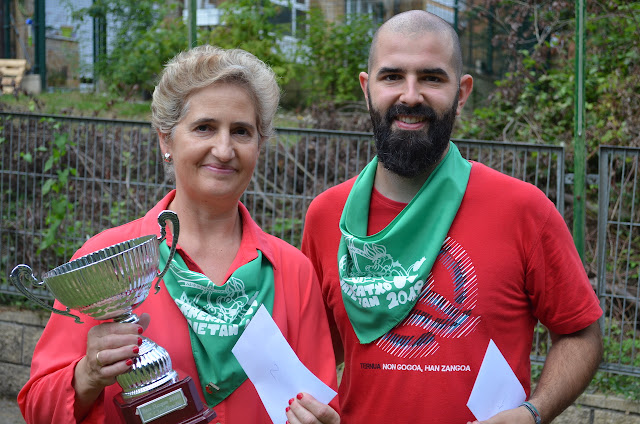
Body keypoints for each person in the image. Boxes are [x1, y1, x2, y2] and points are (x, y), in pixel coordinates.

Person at [301, 10, 603, 424]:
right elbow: (320, 351)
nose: (410, 95)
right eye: (391, 77)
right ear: (366, 89)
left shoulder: (523, 210)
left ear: (461, 93)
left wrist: (534, 413)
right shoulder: (326, 217)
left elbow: (580, 332)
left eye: (431, 78)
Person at [18, 45, 340, 424]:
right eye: (204, 127)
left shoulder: (293, 271)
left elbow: (321, 404)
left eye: (241, 131)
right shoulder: (107, 258)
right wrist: (87, 374)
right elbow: (38, 406)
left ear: (259, 145)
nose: (223, 149)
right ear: (166, 141)